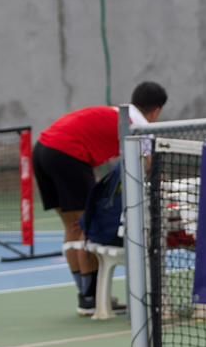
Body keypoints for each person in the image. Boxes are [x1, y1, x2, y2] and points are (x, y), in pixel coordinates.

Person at [34, 81, 167, 315]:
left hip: (43, 150)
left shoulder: (117, 113)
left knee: (73, 226)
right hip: (67, 154)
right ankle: (93, 298)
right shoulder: (140, 125)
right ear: (157, 110)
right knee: (87, 226)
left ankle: (87, 296)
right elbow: (149, 165)